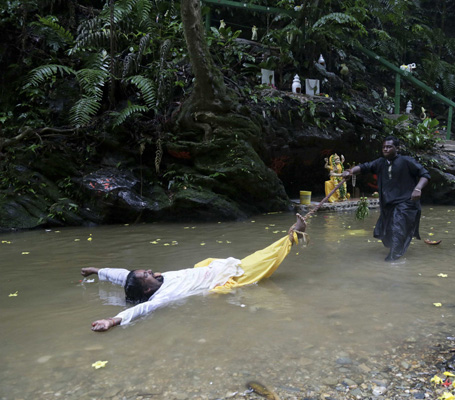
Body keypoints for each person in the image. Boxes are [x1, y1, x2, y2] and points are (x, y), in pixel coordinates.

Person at [81, 214, 307, 331]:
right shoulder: (163, 295)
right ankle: (294, 235)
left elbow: (124, 275)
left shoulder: (156, 279)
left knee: (257, 256)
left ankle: (292, 236)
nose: (150, 271)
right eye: (146, 275)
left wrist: (97, 271)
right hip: (228, 279)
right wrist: (113, 320)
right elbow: (142, 309)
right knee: (264, 257)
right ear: (148, 288)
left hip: (213, 267)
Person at [342, 136, 430, 261]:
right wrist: (350, 172)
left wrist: (418, 188)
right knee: (386, 234)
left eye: (389, 147)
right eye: (384, 147)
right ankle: (394, 252)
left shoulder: (406, 161)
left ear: (397, 148)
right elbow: (364, 167)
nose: (385, 149)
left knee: (397, 229)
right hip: (388, 204)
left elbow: (425, 175)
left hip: (406, 203)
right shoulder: (380, 163)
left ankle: (392, 260)